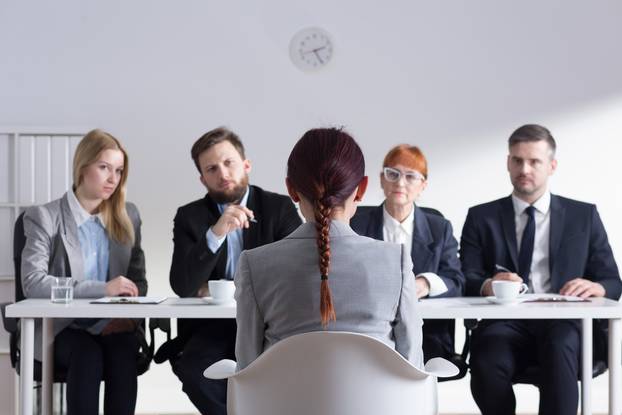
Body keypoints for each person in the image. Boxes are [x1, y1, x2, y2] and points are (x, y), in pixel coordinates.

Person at [460, 124, 621, 415]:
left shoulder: (583, 216)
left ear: (552, 166)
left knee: (560, 348)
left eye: (534, 161)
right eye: (517, 160)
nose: (525, 169)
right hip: (505, 321)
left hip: (564, 321)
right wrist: (490, 284)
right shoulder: (481, 217)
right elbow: (465, 277)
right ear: (508, 162)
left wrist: (598, 287)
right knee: (486, 361)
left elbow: (612, 280)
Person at [235, 127, 424, 370]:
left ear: (291, 189)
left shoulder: (255, 265)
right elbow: (412, 367)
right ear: (362, 189)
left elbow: (247, 370)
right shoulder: (394, 261)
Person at [166, 127, 302, 414]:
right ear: (203, 178)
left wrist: (214, 287)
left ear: (246, 165)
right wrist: (215, 234)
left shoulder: (278, 208)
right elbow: (183, 285)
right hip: (212, 327)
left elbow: (295, 272)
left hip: (270, 323)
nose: (222, 173)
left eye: (228, 163)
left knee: (282, 375)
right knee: (195, 373)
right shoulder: (189, 217)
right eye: (212, 168)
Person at [21, 129, 147, 415]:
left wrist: (128, 317)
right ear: (82, 166)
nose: (113, 178)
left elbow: (137, 281)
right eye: (104, 167)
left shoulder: (128, 217)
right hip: (63, 327)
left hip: (113, 324)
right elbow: (33, 282)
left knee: (124, 350)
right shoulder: (45, 216)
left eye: (118, 170)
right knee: (88, 355)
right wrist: (103, 289)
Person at [350, 144, 464, 362]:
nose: (400, 183)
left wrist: (425, 284)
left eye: (410, 176)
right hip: (368, 330)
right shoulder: (356, 223)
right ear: (382, 179)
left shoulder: (440, 228)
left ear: (423, 185)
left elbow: (456, 281)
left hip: (427, 333)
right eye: (392, 174)